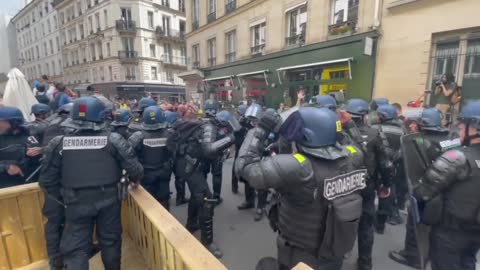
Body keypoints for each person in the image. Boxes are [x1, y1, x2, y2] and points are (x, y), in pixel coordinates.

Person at [236, 107, 365, 270]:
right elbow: (355, 145)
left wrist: (261, 129)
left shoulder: (300, 166)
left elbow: (244, 166)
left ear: (307, 136)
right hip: (334, 250)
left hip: (299, 257)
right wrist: (347, 125)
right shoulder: (353, 156)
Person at [38, 96, 143, 270]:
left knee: (76, 249)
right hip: (108, 200)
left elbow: (47, 180)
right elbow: (135, 169)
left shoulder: (58, 143)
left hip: (74, 202)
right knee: (110, 241)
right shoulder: (113, 140)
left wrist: (65, 197)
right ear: (101, 116)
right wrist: (134, 180)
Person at [402, 100, 480, 270]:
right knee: (468, 263)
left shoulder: (458, 157)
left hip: (450, 232)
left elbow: (423, 192)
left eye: (463, 125)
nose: (459, 128)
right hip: (475, 232)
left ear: (475, 127)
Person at [388, 107, 454, 269]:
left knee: (414, 223)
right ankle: (430, 253)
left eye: (415, 124)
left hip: (424, 188)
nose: (411, 126)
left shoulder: (417, 141)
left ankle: (412, 256)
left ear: (422, 125)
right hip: (446, 189)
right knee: (435, 226)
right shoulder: (451, 139)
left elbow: (399, 158)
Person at [170, 110, 238, 258]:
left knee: (197, 195)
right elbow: (208, 149)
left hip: (190, 164)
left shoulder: (211, 127)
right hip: (188, 166)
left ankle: (191, 224)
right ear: (222, 124)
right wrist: (231, 139)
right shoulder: (209, 128)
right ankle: (207, 242)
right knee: (207, 199)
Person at [343, 99, 395, 270]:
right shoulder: (375, 133)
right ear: (365, 115)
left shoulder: (339, 133)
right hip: (367, 185)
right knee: (366, 225)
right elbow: (385, 164)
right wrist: (386, 185)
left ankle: (339, 255)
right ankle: (365, 262)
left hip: (344, 186)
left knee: (340, 221)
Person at [129, 106, 173, 210]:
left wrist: (133, 175)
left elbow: (129, 155)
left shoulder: (138, 135)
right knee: (163, 200)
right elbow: (173, 152)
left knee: (147, 202)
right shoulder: (169, 134)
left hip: (146, 173)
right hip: (163, 172)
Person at [0, 106, 29, 188]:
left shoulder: (29, 133)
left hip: (29, 183)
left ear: (13, 122)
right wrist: (6, 167)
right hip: (5, 187)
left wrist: (41, 150)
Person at [202, 99, 225, 204]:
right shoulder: (219, 121)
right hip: (217, 151)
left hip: (203, 151)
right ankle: (216, 197)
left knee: (203, 174)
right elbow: (224, 136)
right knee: (217, 175)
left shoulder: (200, 121)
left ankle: (204, 195)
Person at [232, 104, 248, 194]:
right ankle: (234, 186)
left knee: (238, 166)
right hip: (241, 145)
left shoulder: (246, 120)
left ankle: (235, 187)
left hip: (244, 145)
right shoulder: (238, 121)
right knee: (236, 166)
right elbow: (235, 131)